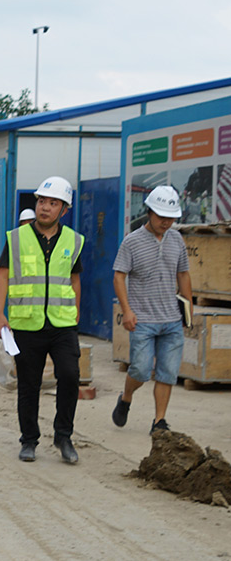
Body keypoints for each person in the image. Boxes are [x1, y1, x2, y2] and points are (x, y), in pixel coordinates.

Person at [0, 176, 85, 465]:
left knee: (70, 375)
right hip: (26, 323)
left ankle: (63, 436)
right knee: (29, 384)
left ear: (64, 209)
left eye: (53, 203)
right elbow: (2, 276)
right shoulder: (16, 238)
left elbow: (74, 279)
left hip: (62, 324)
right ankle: (29, 440)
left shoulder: (74, 240)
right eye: (42, 201)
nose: (45, 207)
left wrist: (76, 311)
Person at [112, 185, 192, 434]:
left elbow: (183, 274)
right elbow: (119, 276)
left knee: (168, 373)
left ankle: (159, 421)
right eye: (161, 216)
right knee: (140, 370)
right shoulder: (132, 242)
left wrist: (188, 308)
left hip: (172, 319)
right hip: (143, 320)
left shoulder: (177, 240)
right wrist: (127, 311)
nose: (166, 222)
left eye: (171, 217)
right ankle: (126, 397)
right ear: (149, 212)